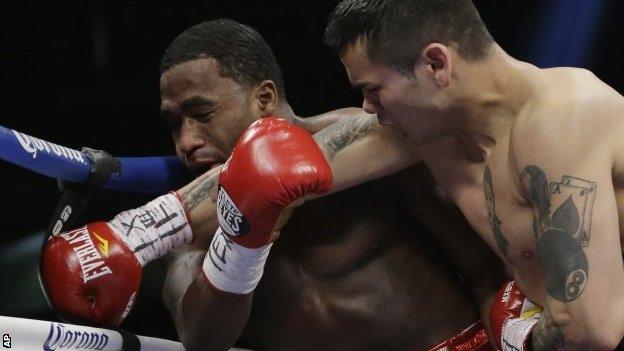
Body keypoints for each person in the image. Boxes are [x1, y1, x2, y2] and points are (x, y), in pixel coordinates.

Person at [40, 19, 505, 351]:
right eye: (173, 124)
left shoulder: (373, 142)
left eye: (201, 115)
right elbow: (203, 338)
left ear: (264, 98)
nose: (186, 142)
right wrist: (243, 240)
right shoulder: (189, 232)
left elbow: (484, 268)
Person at [318, 0, 624, 349]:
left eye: (373, 90)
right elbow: (301, 166)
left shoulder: (561, 124)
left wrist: (517, 338)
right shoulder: (434, 126)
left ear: (436, 64)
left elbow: (593, 328)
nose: (369, 108)